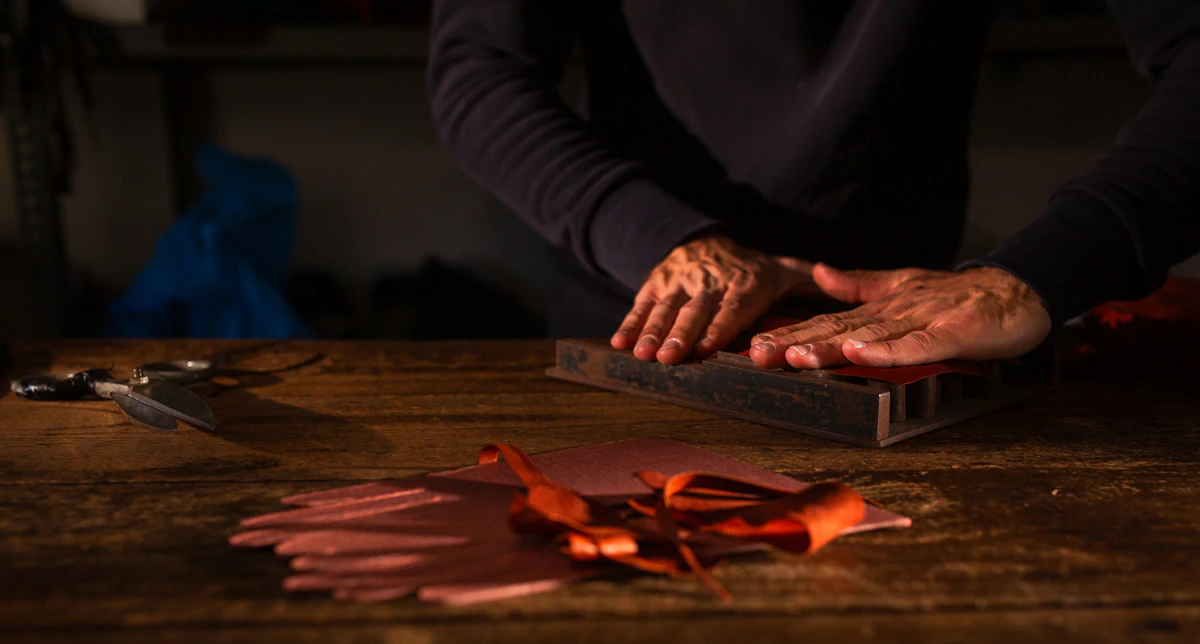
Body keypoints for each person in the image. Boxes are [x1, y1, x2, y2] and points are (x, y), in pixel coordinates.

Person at [426, 1, 1200, 370]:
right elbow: (478, 70)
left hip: (907, 351)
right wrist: (657, 236)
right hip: (643, 331)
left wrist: (1032, 276)